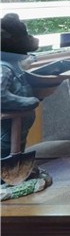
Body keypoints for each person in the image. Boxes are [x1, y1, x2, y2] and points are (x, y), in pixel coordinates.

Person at [1, 13, 41, 158]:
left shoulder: (12, 65)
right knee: (7, 154)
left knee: (18, 149)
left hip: (19, 128)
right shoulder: (3, 69)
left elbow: (20, 68)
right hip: (8, 130)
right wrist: (28, 101)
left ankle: (18, 174)